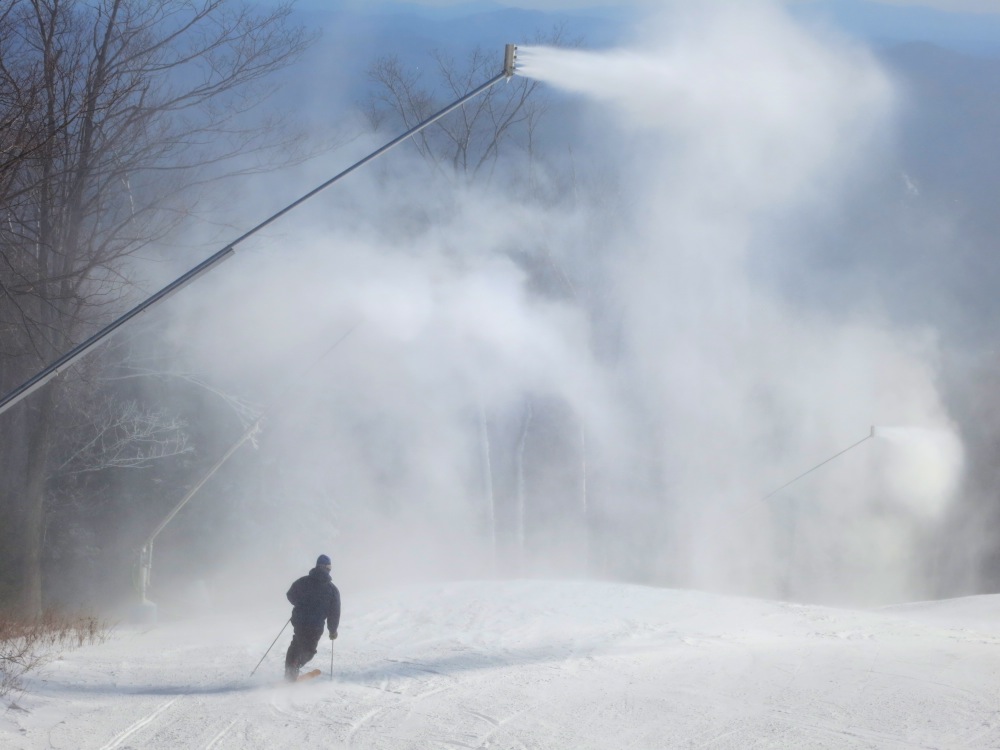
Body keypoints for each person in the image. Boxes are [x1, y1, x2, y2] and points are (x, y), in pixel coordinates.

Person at [284, 554, 341, 682]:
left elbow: (290, 594)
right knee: (309, 651)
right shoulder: (332, 589)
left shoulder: (303, 582)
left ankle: (291, 670)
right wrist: (332, 630)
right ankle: (293, 668)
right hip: (315, 626)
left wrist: (299, 603)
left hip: (300, 622)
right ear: (327, 568)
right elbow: (334, 612)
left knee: (296, 644)